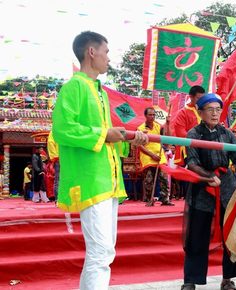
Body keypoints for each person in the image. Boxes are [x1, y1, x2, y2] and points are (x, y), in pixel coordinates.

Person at [52, 31, 147, 290]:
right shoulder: (74, 86)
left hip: (109, 180)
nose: (108, 57)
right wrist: (105, 134)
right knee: (101, 253)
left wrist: (129, 138)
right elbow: (63, 129)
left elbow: (108, 136)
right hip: (91, 181)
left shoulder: (101, 92)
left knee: (104, 252)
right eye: (106, 51)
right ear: (91, 52)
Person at [182, 93, 236, 290]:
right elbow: (191, 163)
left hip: (227, 188)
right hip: (202, 189)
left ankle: (228, 279)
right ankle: (190, 280)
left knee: (231, 235)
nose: (215, 113)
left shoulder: (227, 133)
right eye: (210, 109)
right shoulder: (193, 134)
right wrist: (207, 177)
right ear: (200, 112)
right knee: (197, 236)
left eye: (218, 109)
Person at [138, 107, 173, 206]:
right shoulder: (140, 128)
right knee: (149, 179)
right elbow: (139, 146)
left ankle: (165, 199)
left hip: (160, 155)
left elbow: (168, 138)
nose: (152, 117)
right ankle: (150, 200)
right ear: (145, 115)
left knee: (164, 177)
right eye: (150, 115)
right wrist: (152, 155)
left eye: (154, 115)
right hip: (147, 155)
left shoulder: (159, 127)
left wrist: (168, 124)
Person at [172, 86, 205, 165]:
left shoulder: (205, 111)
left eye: (202, 98)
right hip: (188, 150)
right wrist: (200, 140)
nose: (201, 101)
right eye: (198, 98)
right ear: (191, 97)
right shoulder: (182, 113)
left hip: (204, 150)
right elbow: (181, 133)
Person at [47, 131, 60, 201]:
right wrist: (55, 157)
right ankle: (58, 199)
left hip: (65, 158)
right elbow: (50, 143)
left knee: (59, 179)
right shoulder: (54, 131)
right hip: (59, 158)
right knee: (58, 179)